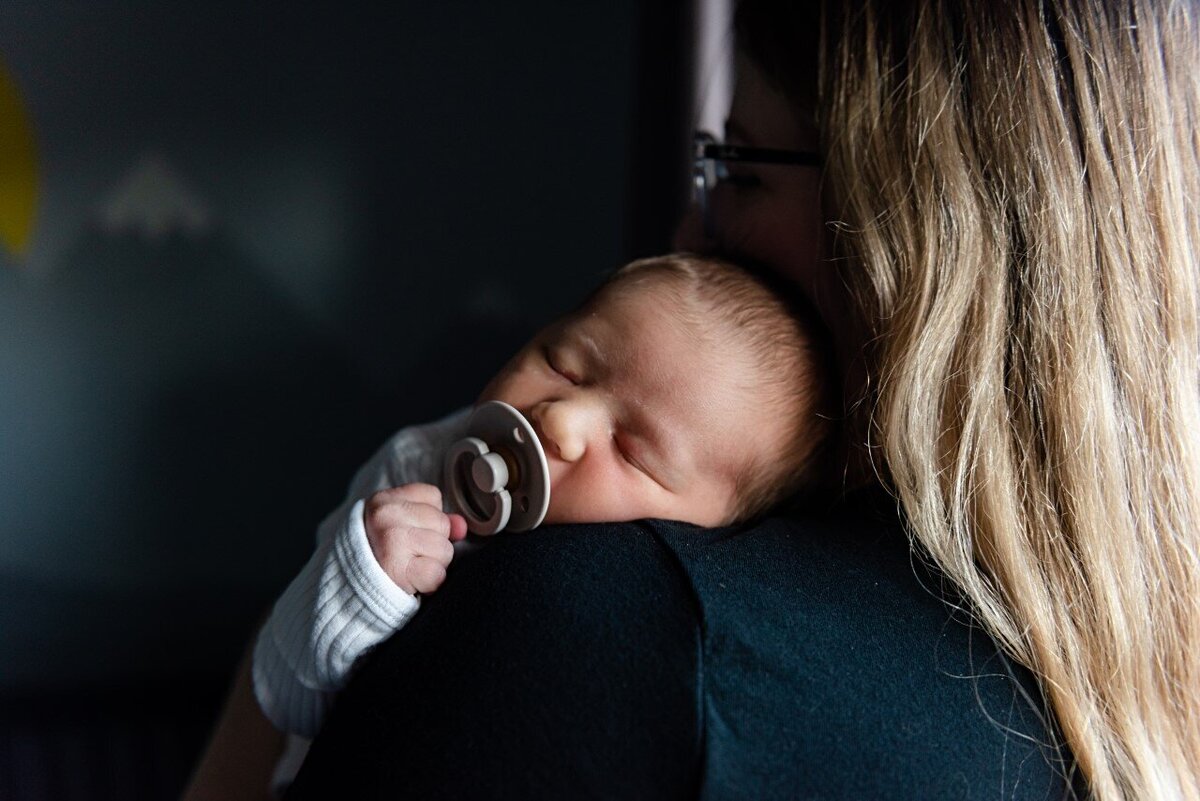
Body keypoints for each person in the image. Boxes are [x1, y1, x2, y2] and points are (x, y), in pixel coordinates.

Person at [187, 1, 1198, 799]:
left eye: (742, 169)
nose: (689, 225)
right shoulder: (1104, 689)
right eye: (569, 363)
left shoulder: (599, 624)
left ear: (911, 230)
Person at [252, 253, 833, 789]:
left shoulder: (665, 602)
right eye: (563, 364)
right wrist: (362, 578)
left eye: (631, 452)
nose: (560, 420)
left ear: (712, 533)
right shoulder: (414, 471)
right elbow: (281, 699)